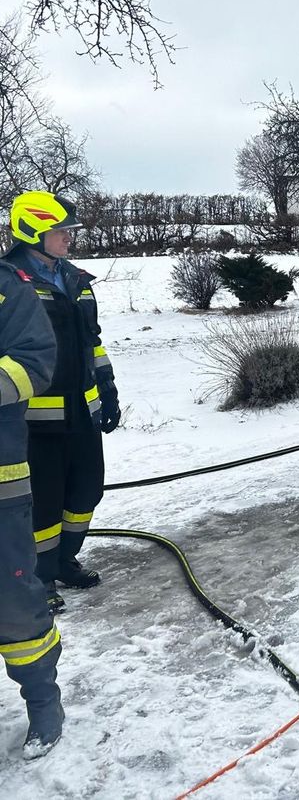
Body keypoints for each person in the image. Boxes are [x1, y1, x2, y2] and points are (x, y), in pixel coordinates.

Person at [4, 191, 121, 614]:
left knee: (86, 491)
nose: (69, 237)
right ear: (33, 231)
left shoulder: (75, 278)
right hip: (35, 423)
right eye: (62, 230)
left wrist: (106, 388)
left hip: (82, 414)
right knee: (44, 504)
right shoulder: (9, 283)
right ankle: (41, 576)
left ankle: (66, 559)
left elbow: (93, 343)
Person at [0, 257, 64, 758]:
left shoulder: (9, 290)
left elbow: (34, 361)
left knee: (15, 600)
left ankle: (43, 703)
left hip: (1, 485)